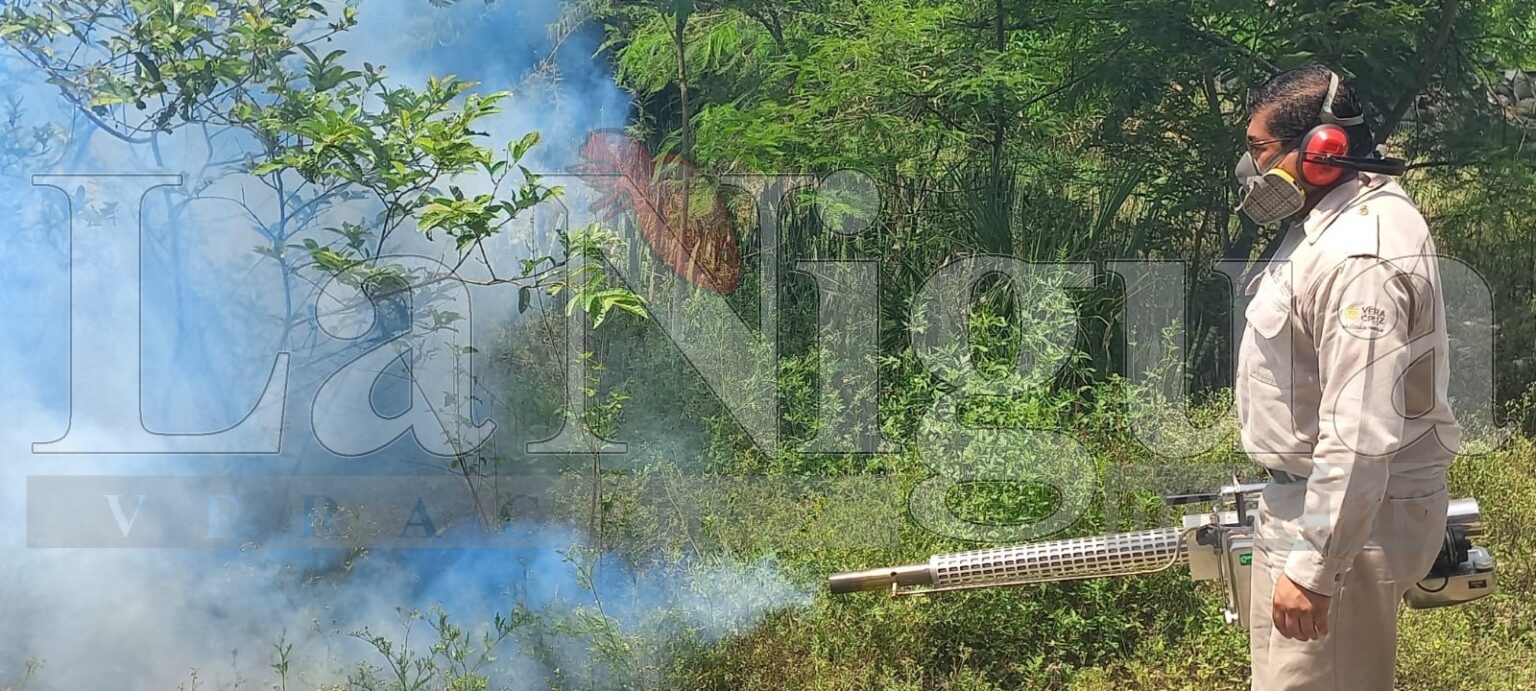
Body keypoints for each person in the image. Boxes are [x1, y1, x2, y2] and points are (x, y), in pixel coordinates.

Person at [1232, 65, 1461, 690]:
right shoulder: (1328, 221)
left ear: (1321, 152)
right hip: (1314, 507)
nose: (1249, 169)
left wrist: (1313, 568)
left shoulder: (1360, 256)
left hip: (1345, 522)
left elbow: (1359, 428)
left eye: (1258, 151)